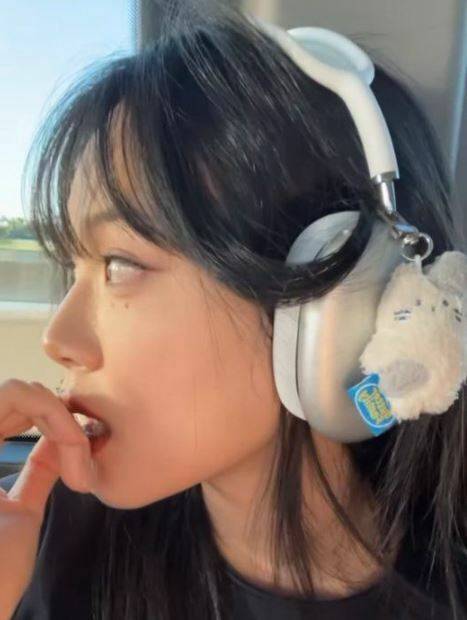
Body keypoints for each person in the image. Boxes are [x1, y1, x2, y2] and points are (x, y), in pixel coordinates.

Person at [0, 1, 466, 618]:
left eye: (119, 265)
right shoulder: (37, 536)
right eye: (73, 269)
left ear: (340, 302)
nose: (59, 338)